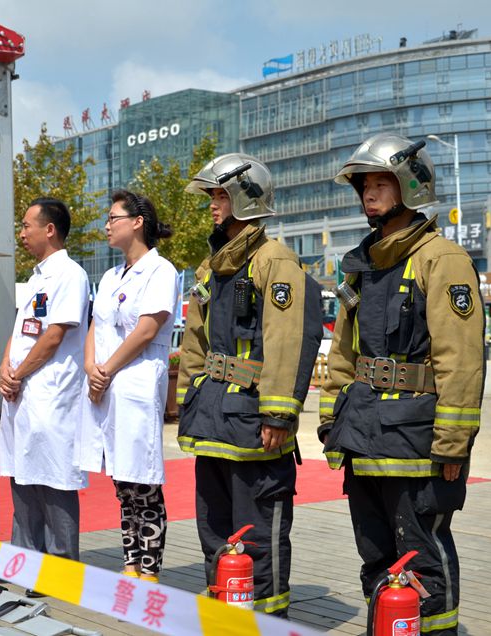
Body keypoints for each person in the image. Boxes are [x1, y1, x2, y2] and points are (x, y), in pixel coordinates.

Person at [319, 133, 485, 635]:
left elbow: (461, 360)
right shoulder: (361, 264)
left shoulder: (442, 259)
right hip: (365, 436)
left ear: (410, 188)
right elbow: (343, 351)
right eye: (364, 185)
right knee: (376, 560)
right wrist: (332, 416)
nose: (369, 194)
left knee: (422, 561)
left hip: (418, 442)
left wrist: (454, 443)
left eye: (380, 183)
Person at [176, 153, 323, 617]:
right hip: (213, 418)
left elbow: (290, 340)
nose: (213, 205)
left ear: (246, 197)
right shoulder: (211, 266)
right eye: (213, 196)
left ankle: (268, 618)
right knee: (214, 528)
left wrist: (278, 413)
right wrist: (189, 402)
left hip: (255, 421)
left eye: (221, 195)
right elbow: (194, 341)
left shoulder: (274, 261)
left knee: (258, 531)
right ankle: (226, 612)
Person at [79, 190, 179, 583]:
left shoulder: (161, 271)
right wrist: (91, 368)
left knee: (143, 479)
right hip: (106, 385)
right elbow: (96, 326)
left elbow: (146, 330)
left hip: (135, 381)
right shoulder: (108, 276)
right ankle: (130, 563)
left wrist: (106, 369)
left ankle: (150, 568)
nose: (106, 225)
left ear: (137, 222)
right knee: (122, 481)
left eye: (113, 218)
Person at [0, 197, 90, 578]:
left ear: (49, 230)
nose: (21, 233)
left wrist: (17, 375)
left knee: (54, 477)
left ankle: (61, 566)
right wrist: (5, 366)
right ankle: (24, 556)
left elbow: (53, 336)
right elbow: (21, 330)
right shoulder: (36, 277)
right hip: (22, 392)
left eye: (26, 226)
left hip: (50, 393)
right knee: (23, 474)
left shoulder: (71, 275)